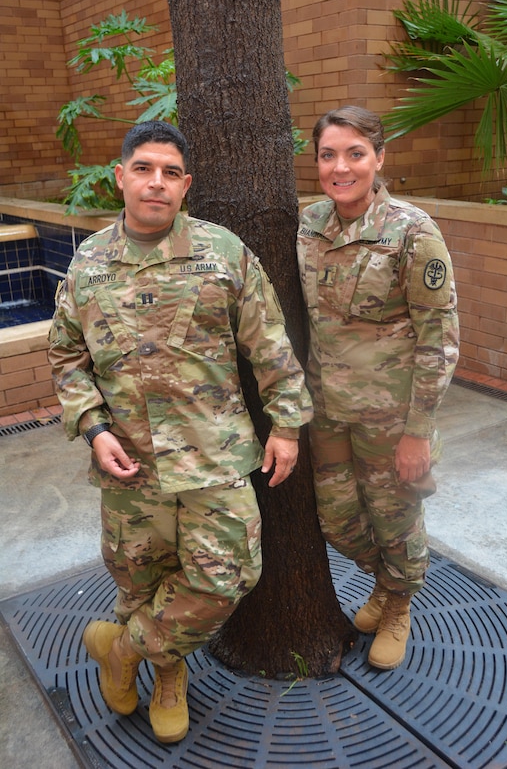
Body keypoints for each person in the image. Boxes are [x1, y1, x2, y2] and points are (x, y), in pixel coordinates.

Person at [48, 120, 313, 742]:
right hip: (129, 463)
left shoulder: (223, 253)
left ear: (186, 184)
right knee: (139, 575)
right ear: (121, 176)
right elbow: (65, 356)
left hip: (214, 456)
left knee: (228, 575)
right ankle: (170, 675)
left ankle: (124, 652)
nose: (156, 183)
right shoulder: (87, 265)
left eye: (170, 172)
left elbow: (271, 343)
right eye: (143, 168)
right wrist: (92, 427)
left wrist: (288, 426)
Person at [296, 106, 459, 670]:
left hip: (390, 419)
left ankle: (398, 604)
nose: (341, 167)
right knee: (337, 519)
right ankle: (388, 583)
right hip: (326, 412)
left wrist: (418, 433)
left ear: (379, 158)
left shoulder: (413, 231)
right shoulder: (308, 225)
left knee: (395, 517)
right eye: (328, 155)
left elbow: (439, 338)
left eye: (355, 153)